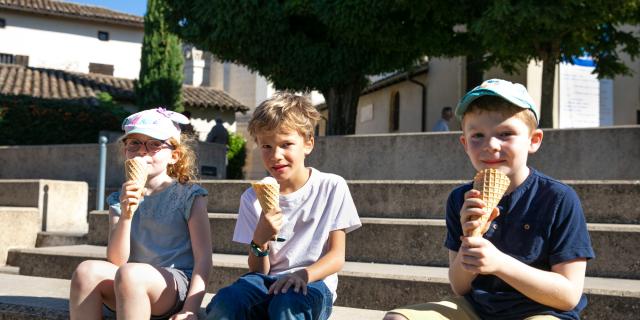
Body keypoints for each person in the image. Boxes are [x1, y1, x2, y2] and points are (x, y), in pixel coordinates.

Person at [384, 79, 595, 320]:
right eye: (477, 136)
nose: (491, 145)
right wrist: (469, 240)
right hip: (480, 309)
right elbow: (460, 287)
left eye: (506, 134)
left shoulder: (558, 198)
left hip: (543, 311)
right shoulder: (460, 199)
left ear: (533, 140)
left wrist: (499, 263)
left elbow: (568, 296)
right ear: (464, 143)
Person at [205, 92, 361, 320]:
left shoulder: (331, 187)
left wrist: (303, 275)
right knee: (225, 303)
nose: (276, 155)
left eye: (286, 144)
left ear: (308, 144)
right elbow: (259, 271)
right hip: (264, 281)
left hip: (313, 282)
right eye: (266, 146)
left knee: (286, 306)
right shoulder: (251, 198)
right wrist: (260, 239)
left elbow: (336, 257)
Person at [69, 108, 212, 320]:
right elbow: (117, 260)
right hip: (128, 282)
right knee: (85, 271)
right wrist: (127, 213)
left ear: (174, 156)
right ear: (125, 151)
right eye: (134, 143)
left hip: (173, 285)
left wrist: (190, 308)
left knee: (131, 274)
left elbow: (204, 260)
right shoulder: (119, 198)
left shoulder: (189, 196)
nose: (142, 151)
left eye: (155, 144)